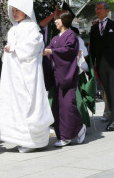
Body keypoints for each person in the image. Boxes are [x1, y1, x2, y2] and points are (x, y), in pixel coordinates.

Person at [0, 0, 54, 152]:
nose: (15, 13)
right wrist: (9, 50)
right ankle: (20, 138)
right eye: (13, 10)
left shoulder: (32, 28)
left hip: (28, 74)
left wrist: (14, 49)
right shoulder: (13, 29)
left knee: (29, 104)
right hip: (14, 76)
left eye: (18, 10)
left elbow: (34, 47)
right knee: (15, 105)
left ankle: (33, 141)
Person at [43, 12, 86, 147]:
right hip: (57, 76)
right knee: (57, 106)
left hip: (67, 74)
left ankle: (71, 133)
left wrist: (52, 52)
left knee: (68, 105)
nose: (55, 22)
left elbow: (68, 51)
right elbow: (49, 49)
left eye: (58, 19)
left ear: (65, 20)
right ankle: (69, 131)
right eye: (55, 19)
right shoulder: (55, 38)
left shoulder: (71, 35)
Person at [89, 1, 114, 131]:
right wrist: (90, 63)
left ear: (107, 11)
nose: (97, 11)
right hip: (101, 64)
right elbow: (92, 49)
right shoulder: (94, 28)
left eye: (100, 8)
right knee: (107, 91)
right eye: (96, 8)